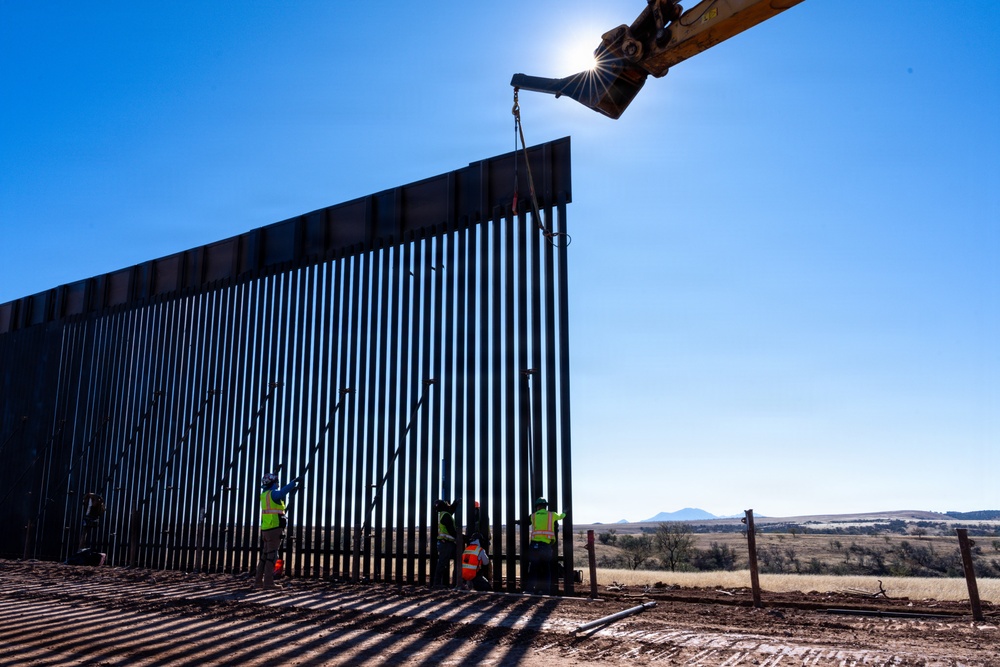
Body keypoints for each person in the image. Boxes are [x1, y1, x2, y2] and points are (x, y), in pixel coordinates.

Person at [253, 472, 300, 590]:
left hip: (265, 529)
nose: (278, 484)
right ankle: (268, 583)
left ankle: (258, 581)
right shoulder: (273, 494)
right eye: (277, 482)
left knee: (264, 556)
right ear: (273, 483)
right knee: (272, 556)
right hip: (274, 529)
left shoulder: (264, 495)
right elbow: (282, 492)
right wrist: (293, 483)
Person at [525, 497, 566, 595]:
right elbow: (562, 516)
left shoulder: (533, 516)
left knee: (533, 568)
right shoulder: (552, 515)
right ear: (545, 506)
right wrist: (565, 512)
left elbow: (526, 521)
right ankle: (546, 590)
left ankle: (530, 589)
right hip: (546, 547)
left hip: (535, 546)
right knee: (546, 569)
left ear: (537, 507)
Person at [432, 498, 459, 587]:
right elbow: (452, 531)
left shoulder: (443, 514)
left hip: (446, 543)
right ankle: (437, 583)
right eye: (446, 504)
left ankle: (456, 582)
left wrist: (455, 504)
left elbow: (450, 510)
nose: (448, 504)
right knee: (442, 563)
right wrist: (462, 538)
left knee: (457, 560)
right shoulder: (446, 516)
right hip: (446, 543)